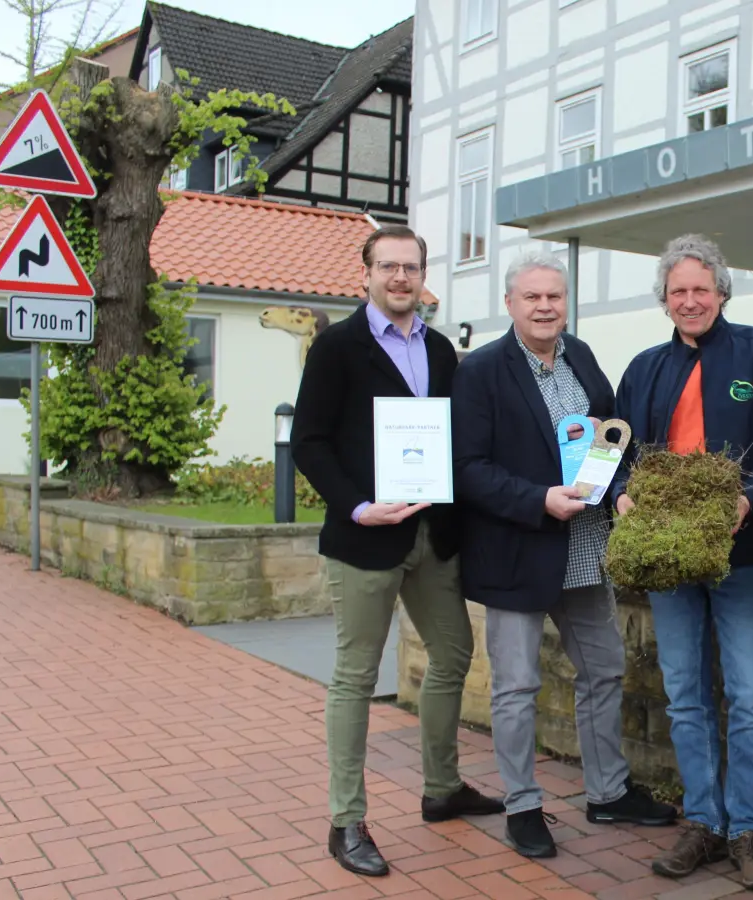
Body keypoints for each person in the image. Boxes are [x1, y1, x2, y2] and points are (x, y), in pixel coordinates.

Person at [292, 225, 504, 877]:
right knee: (357, 675)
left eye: (411, 268)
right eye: (389, 267)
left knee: (453, 653)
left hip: (431, 536)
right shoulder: (336, 349)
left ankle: (441, 789)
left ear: (423, 274)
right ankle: (346, 820)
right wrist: (359, 504)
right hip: (363, 536)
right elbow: (311, 442)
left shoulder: (441, 350)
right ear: (366, 273)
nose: (401, 278)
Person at [451, 251, 677, 860]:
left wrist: (623, 489)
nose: (546, 307)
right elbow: (467, 470)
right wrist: (536, 500)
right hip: (520, 552)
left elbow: (610, 435)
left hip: (584, 551)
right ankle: (523, 806)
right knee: (517, 687)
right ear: (510, 304)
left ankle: (606, 790)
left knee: (604, 670)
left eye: (554, 297)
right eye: (533, 298)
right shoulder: (481, 372)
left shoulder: (580, 356)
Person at [612, 234, 753, 892]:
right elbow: (619, 448)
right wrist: (620, 494)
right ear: (665, 301)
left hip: (744, 555)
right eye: (679, 291)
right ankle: (703, 820)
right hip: (669, 562)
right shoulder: (643, 368)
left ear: (722, 292)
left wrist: (751, 497)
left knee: (752, 695)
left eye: (702, 289)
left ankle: (747, 827)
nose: (691, 300)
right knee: (685, 695)